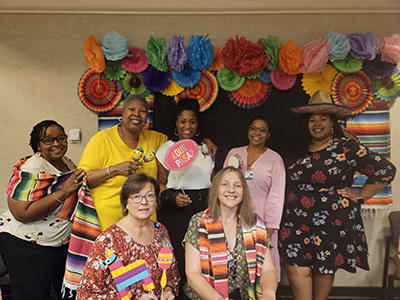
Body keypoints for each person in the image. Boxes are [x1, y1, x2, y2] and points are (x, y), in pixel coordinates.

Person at [279, 90, 396, 300]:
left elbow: (385, 169)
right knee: (297, 269)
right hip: (295, 220)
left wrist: (360, 196)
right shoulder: (297, 148)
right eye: (312, 119)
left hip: (331, 220)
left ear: (332, 122)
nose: (317, 123)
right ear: (305, 123)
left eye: (323, 118)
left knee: (324, 268)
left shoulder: (346, 147)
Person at [78, 95, 217, 231]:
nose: (136, 114)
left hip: (146, 219)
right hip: (110, 219)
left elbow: (183, 143)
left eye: (142, 111)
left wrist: (205, 141)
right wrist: (113, 170)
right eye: (132, 110)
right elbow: (80, 178)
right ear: (123, 112)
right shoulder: (102, 139)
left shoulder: (156, 139)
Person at [0, 120, 84, 300]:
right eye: (48, 140)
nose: (56, 143)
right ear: (37, 144)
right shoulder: (33, 167)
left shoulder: (66, 162)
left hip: (55, 244)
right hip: (25, 244)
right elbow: (20, 213)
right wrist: (63, 192)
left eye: (60, 138)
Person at [77, 172, 180, 300]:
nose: (144, 202)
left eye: (150, 196)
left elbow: (171, 273)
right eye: (136, 197)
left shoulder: (160, 230)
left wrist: (169, 290)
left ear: (156, 202)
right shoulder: (108, 240)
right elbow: (86, 294)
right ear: (125, 203)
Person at [184, 166, 277, 300]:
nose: (231, 190)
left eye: (237, 185)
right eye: (225, 184)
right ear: (216, 189)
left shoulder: (255, 223)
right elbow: (192, 274)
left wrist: (268, 293)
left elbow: (268, 271)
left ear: (244, 191)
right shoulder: (198, 221)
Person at [156, 98, 214, 297]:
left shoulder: (206, 148)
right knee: (179, 255)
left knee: (205, 254)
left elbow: (212, 180)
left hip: (204, 207)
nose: (187, 125)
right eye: (183, 121)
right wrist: (172, 198)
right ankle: (178, 294)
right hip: (177, 209)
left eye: (192, 121)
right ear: (176, 123)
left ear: (197, 124)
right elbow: (160, 183)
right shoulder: (165, 149)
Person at [223, 114, 285, 282]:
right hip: (233, 214)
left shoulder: (275, 159)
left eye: (262, 130)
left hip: (263, 217)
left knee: (262, 266)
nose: (257, 133)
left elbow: (277, 195)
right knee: (234, 262)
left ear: (269, 134)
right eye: (253, 128)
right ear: (248, 130)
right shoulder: (234, 154)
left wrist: (270, 226)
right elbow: (223, 186)